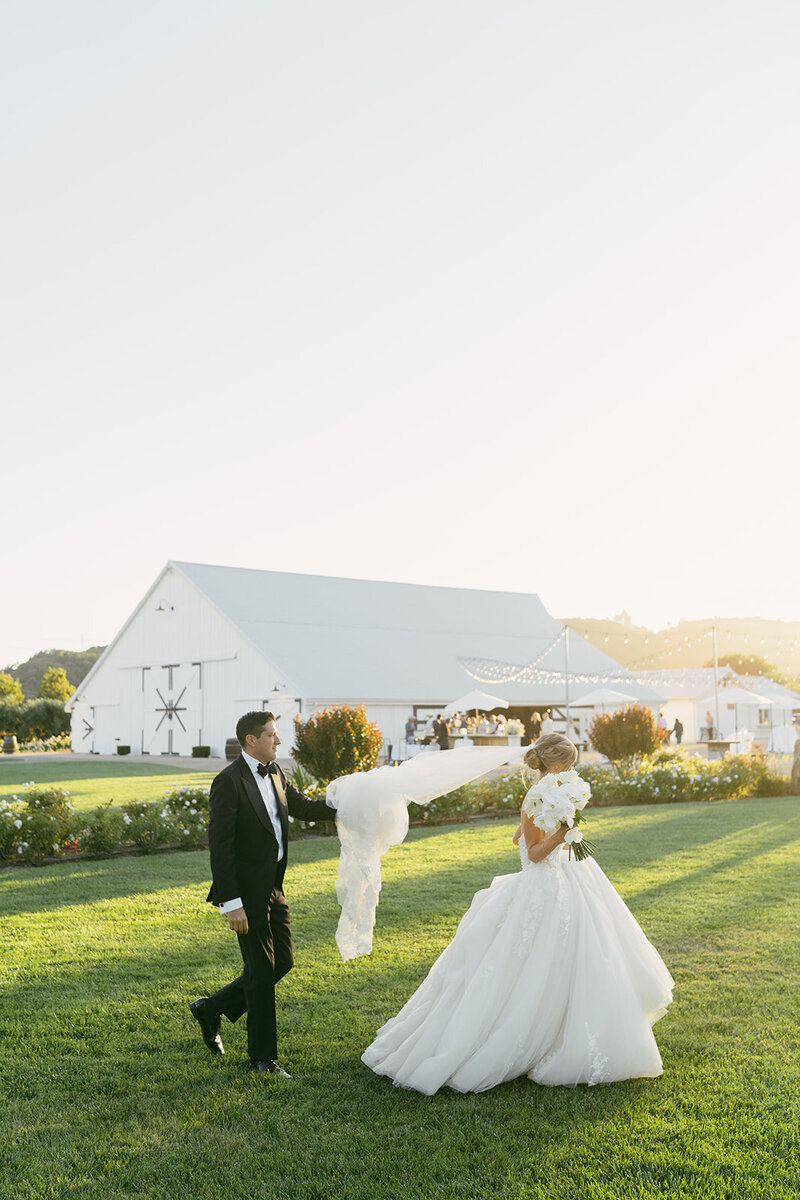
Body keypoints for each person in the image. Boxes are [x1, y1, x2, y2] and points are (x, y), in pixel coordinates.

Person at [362, 733, 673, 1094]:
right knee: (537, 965)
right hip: (544, 885)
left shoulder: (550, 792)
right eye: (567, 765)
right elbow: (536, 853)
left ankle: (562, 1030)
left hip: (565, 879)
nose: (570, 771)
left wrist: (555, 829)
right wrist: (563, 834)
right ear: (554, 764)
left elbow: (519, 839)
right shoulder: (539, 795)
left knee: (580, 956)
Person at [190, 711, 336, 1077]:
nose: (278, 740)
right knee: (260, 970)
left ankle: (210, 1009)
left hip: (273, 886)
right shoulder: (228, 782)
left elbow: (301, 807)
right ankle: (262, 1059)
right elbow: (220, 848)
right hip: (244, 895)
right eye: (272, 735)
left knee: (281, 962)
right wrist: (232, 903)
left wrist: (351, 806)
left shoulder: (276, 772)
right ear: (251, 740)